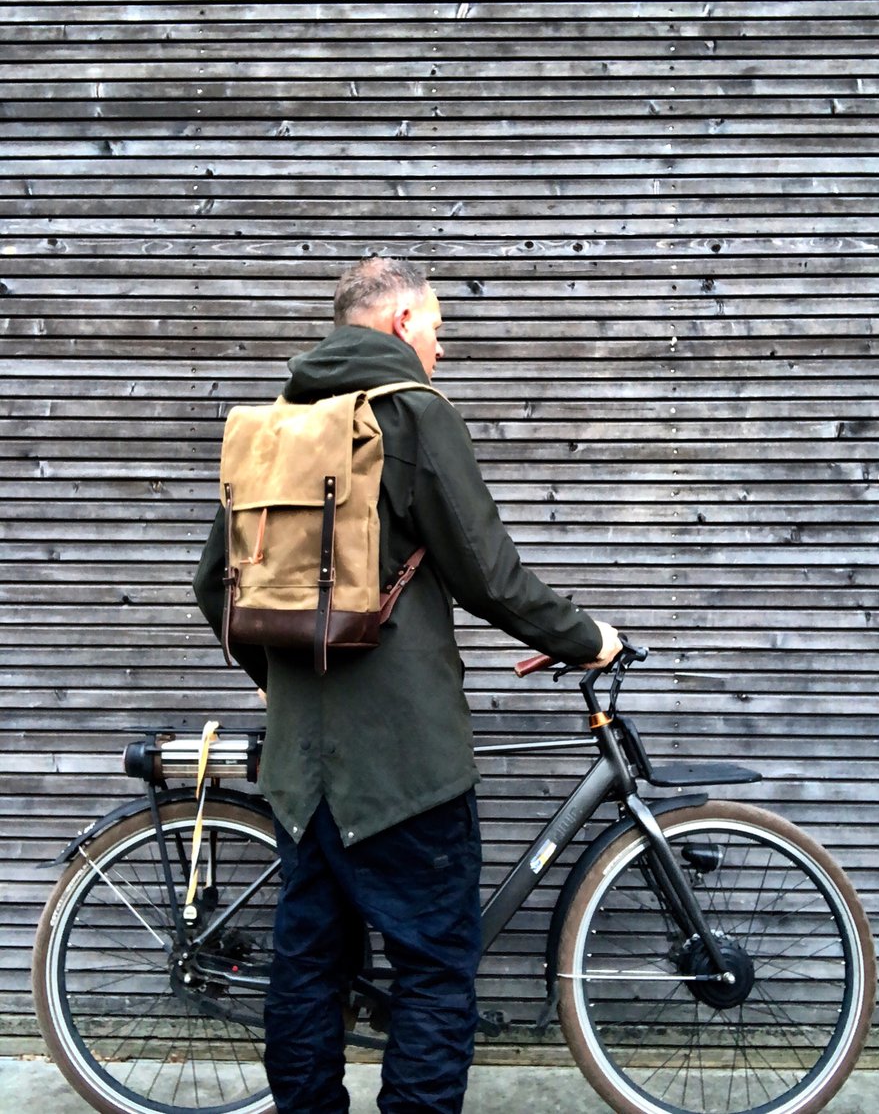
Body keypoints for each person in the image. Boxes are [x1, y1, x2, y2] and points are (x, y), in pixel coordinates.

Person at [193, 257, 622, 1114]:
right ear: (398, 324)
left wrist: (282, 685)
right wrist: (587, 637)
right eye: (435, 331)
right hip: (406, 765)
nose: (439, 350)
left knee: (309, 966)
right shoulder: (416, 417)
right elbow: (489, 572)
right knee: (433, 970)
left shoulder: (279, 427)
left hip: (300, 773)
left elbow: (216, 587)